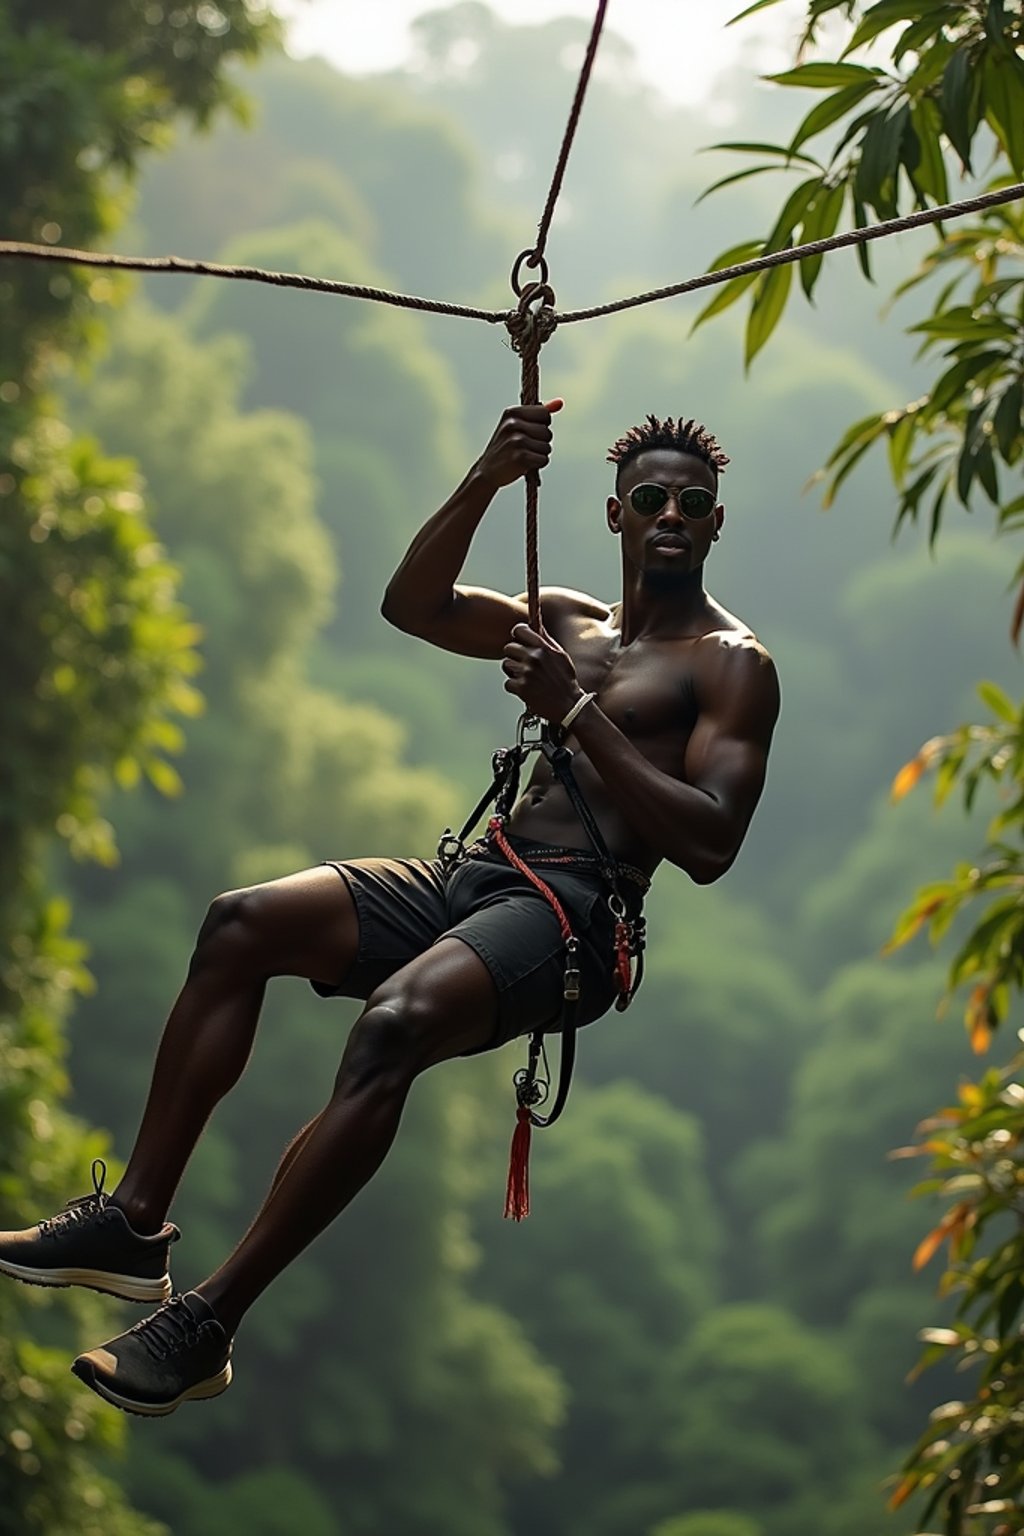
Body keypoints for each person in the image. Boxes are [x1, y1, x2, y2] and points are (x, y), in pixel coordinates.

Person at [0, 400, 780, 1416]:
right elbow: (412, 604)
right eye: (649, 497)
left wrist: (576, 713)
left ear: (716, 522)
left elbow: (710, 842)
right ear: (614, 514)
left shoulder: (733, 665)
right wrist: (488, 476)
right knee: (242, 924)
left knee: (395, 1026)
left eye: (692, 502)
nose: (670, 514)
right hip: (479, 875)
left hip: (575, 915)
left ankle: (207, 1323)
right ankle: (131, 1223)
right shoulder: (565, 622)